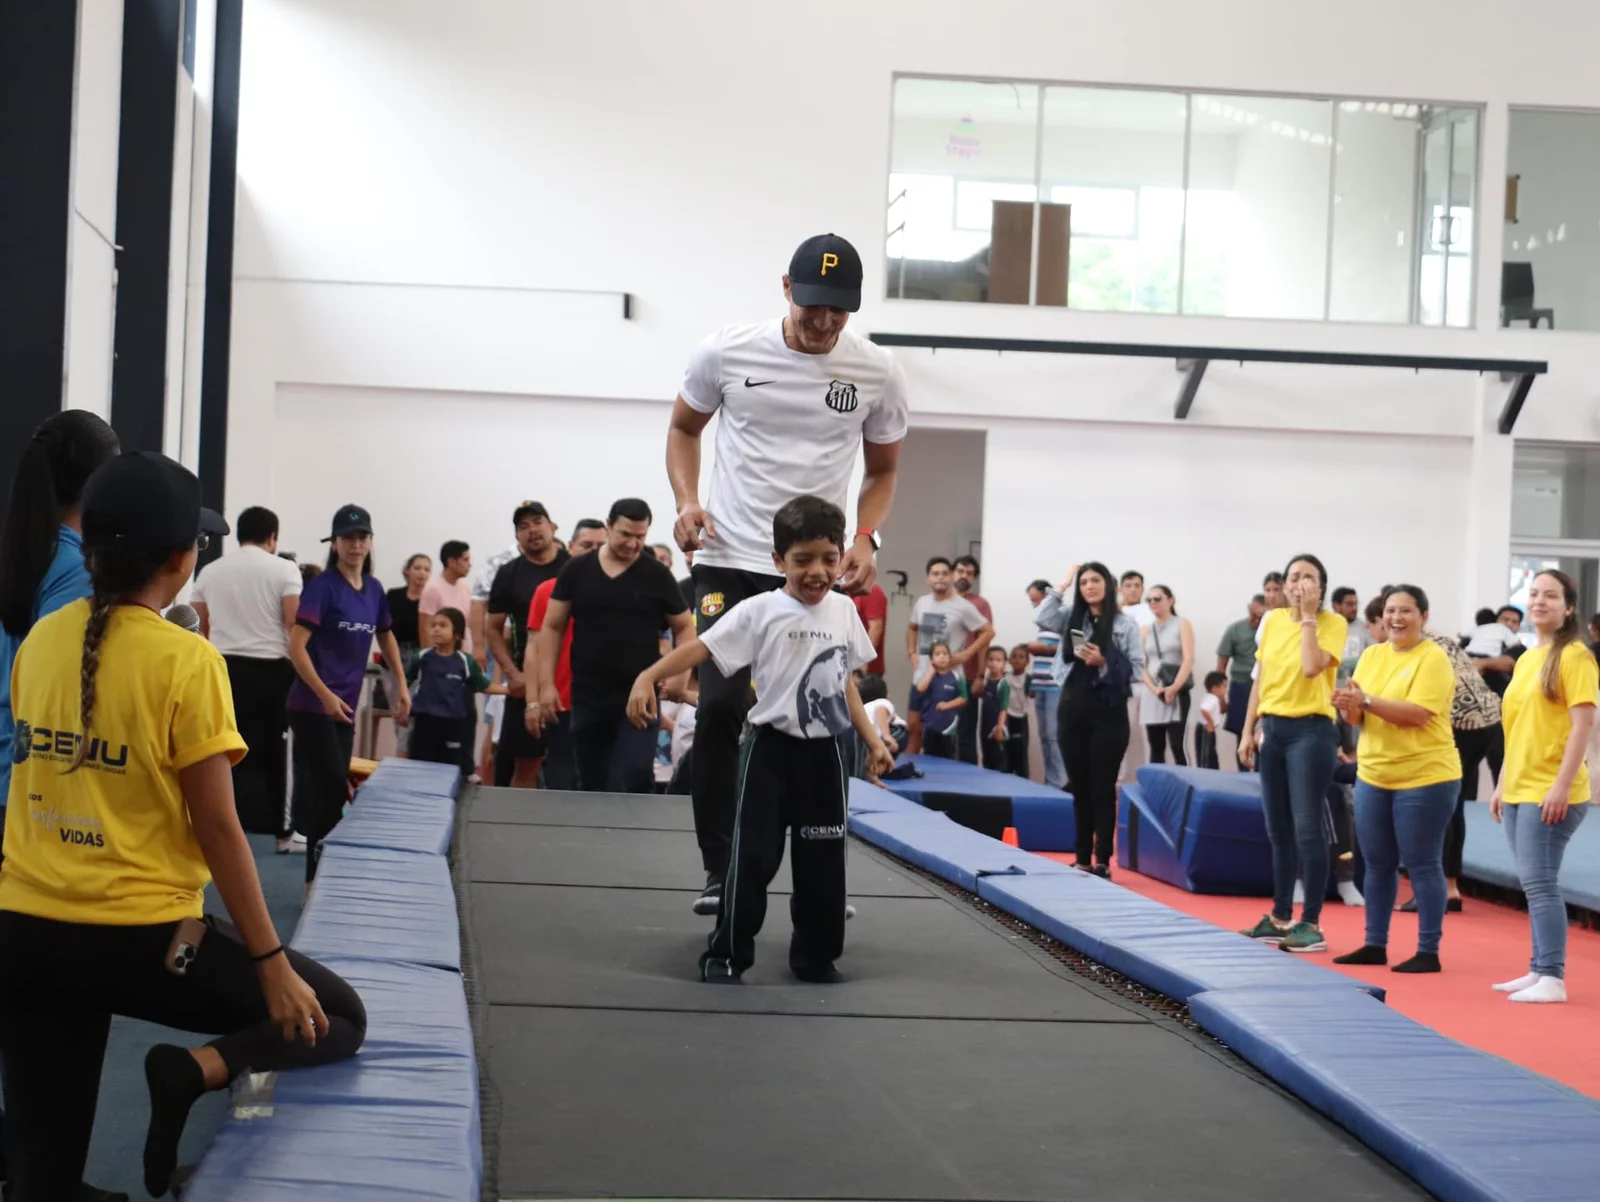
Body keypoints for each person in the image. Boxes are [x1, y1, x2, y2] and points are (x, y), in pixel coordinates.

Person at [0, 452, 366, 1200]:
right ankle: (191, 1070)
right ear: (181, 556)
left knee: (44, 1181)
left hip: (24, 931)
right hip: (140, 942)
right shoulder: (187, 660)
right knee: (337, 1014)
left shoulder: (41, 639)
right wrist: (270, 963)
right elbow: (221, 831)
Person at [667, 233, 907, 916]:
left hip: (812, 572)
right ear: (785, 289)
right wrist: (687, 501)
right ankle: (722, 867)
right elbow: (685, 430)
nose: (825, 323)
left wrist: (866, 536)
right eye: (813, 309)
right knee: (717, 709)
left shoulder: (877, 371)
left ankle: (818, 872)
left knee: (820, 717)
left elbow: (884, 471)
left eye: (840, 311)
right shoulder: (726, 351)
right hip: (730, 555)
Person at [626, 495, 893, 983]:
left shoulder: (843, 611)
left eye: (829, 559)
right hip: (770, 752)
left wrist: (872, 740)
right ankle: (727, 955)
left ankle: (816, 958)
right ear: (778, 562)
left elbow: (846, 682)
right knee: (750, 859)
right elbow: (702, 648)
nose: (817, 571)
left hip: (828, 756)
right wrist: (648, 675)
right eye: (802, 560)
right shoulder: (759, 610)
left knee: (824, 865)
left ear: (841, 558)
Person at [0, 409, 122, 1202]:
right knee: (40, 1003)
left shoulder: (22, 551)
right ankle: (40, 1173)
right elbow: (54, 701)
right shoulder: (74, 569)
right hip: (24, 796)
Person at [1330, 585, 1461, 974]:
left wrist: (1367, 701)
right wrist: (1350, 708)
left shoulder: (1433, 658)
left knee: (1421, 862)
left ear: (1424, 616)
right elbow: (1358, 719)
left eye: (1406, 611)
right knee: (1377, 861)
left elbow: (1418, 714)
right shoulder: (1371, 655)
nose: (1397, 618)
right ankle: (1375, 943)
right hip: (1374, 773)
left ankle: (1428, 950)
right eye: (1390, 611)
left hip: (1425, 776)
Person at [287, 505, 411, 884]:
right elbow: (296, 648)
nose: (356, 545)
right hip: (311, 706)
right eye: (348, 538)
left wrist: (402, 685)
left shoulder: (373, 590)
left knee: (332, 791)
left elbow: (386, 635)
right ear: (335, 543)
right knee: (328, 792)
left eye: (362, 538)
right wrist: (324, 695)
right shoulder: (323, 587)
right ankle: (314, 879)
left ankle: (322, 874)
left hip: (343, 707)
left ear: (370, 543)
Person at [533, 499, 693, 794]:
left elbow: (684, 626)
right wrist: (546, 685)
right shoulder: (576, 570)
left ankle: (636, 835)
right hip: (588, 694)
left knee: (635, 773)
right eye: (626, 535)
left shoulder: (656, 574)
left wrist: (678, 678)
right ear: (608, 527)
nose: (633, 544)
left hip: (638, 696)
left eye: (640, 537)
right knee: (592, 778)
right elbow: (552, 627)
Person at [1490, 569, 1596, 1004]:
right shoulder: (1529, 658)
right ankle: (1538, 968)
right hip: (1518, 787)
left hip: (1551, 791)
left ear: (1568, 607)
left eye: (1550, 596)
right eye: (1533, 593)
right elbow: (1514, 729)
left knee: (1540, 882)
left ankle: (1552, 976)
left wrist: (1561, 786)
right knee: (1531, 881)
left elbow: (1582, 726)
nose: (1538, 601)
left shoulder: (1576, 657)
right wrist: (1500, 784)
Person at [1238, 555, 1345, 953]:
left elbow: (1312, 666)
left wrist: (1310, 617)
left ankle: (1311, 923)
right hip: (1274, 729)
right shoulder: (1271, 621)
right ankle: (1280, 917)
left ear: (1321, 586)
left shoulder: (1332, 623)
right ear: (1283, 586)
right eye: (1294, 577)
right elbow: (1260, 679)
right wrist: (1249, 730)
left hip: (1311, 731)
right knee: (1277, 829)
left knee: (1306, 828)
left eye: (1309, 578)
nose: (1300, 583)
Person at [189, 506, 305, 851]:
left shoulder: (210, 571)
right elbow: (293, 624)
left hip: (224, 669)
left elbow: (199, 628)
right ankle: (284, 833)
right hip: (273, 670)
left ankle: (215, 828)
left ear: (238, 534)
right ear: (273, 538)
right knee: (278, 755)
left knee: (223, 751)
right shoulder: (285, 568)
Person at [1035, 562, 1144, 878]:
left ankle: (1102, 861)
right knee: (1080, 786)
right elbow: (1041, 617)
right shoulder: (1072, 617)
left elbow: (1137, 669)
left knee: (1102, 788)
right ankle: (1081, 857)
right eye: (1084, 582)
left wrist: (1104, 661)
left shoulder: (1124, 624)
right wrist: (1063, 583)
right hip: (1073, 708)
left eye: (1096, 580)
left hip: (1109, 713)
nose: (1089, 586)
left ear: (1108, 585)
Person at [486, 502, 569, 788]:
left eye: (537, 522)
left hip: (570, 682)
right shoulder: (508, 574)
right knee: (524, 763)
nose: (532, 530)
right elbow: (493, 630)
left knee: (571, 765)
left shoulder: (573, 567)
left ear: (552, 527)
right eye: (523, 527)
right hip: (527, 681)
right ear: (517, 536)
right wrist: (512, 673)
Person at [523, 520, 607, 790]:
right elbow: (533, 648)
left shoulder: (619, 593)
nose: (593, 551)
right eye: (586, 545)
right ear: (571, 547)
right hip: (560, 705)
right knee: (562, 785)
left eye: (600, 546)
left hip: (605, 707)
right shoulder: (547, 591)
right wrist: (533, 701)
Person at [906, 557, 992, 754]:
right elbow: (912, 628)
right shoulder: (922, 602)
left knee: (941, 734)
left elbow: (988, 631)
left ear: (952, 576)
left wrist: (965, 655)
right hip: (922, 677)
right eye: (935, 574)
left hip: (946, 681)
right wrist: (912, 652)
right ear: (928, 578)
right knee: (914, 727)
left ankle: (942, 781)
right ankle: (910, 771)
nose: (940, 578)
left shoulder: (962, 606)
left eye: (945, 573)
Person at [406, 608, 502, 769]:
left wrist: (512, 690)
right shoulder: (421, 658)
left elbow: (484, 685)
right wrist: (402, 708)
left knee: (448, 767)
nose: (436, 629)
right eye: (433, 625)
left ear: (457, 634)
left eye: (443, 625)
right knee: (419, 766)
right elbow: (406, 683)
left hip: (453, 725)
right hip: (424, 722)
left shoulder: (465, 661)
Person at [1140, 585, 1195, 765]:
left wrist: (1173, 688)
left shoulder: (1182, 624)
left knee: (1177, 744)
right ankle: (1157, 789)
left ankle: (1185, 789)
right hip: (1153, 692)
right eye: (1150, 600)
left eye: (1158, 598)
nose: (1153, 603)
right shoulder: (1145, 630)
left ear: (1170, 600)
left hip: (1176, 691)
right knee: (1155, 746)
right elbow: (1141, 664)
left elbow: (1188, 659)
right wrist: (1155, 689)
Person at [951, 556, 994, 763]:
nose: (963, 576)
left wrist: (980, 675)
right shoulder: (939, 601)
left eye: (969, 573)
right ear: (953, 573)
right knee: (940, 730)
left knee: (966, 732)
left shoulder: (980, 604)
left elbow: (984, 642)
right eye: (960, 571)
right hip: (941, 675)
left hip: (968, 676)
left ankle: (967, 784)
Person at [1026, 579, 1066, 788]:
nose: (1034, 606)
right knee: (1044, 736)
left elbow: (1071, 651)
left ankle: (1057, 781)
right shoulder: (1042, 625)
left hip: (1055, 687)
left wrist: (1045, 649)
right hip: (1041, 686)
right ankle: (1050, 779)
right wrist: (1033, 683)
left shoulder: (1061, 619)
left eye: (1036, 600)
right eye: (1031, 602)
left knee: (1053, 736)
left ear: (1048, 596)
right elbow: (1042, 660)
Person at [913, 643, 967, 759]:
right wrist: (931, 671)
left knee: (948, 756)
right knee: (929, 756)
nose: (942, 657)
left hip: (949, 727)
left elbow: (963, 698)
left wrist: (947, 705)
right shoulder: (929, 677)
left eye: (945, 654)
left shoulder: (956, 677)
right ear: (931, 659)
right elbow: (920, 689)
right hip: (930, 725)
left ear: (950, 657)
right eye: (937, 654)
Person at [976, 646, 1011, 772]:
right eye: (991, 659)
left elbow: (1004, 708)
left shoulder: (1003, 684)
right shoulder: (986, 681)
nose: (994, 663)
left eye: (998, 660)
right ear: (986, 662)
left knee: (998, 761)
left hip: (997, 728)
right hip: (985, 726)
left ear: (1004, 663)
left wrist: (1000, 728)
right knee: (987, 758)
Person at [852, 582, 889, 676]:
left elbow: (875, 628)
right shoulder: (841, 592)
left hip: (865, 670)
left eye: (855, 567)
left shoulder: (871, 591)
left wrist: (861, 661)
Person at [1196, 672, 1227, 770]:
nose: (1226, 690)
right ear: (1215, 688)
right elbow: (1204, 709)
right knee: (1206, 754)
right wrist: (1210, 723)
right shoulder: (1212, 699)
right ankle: (1205, 773)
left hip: (1208, 729)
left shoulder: (1213, 698)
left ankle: (1212, 771)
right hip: (1206, 729)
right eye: (1224, 687)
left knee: (1211, 752)